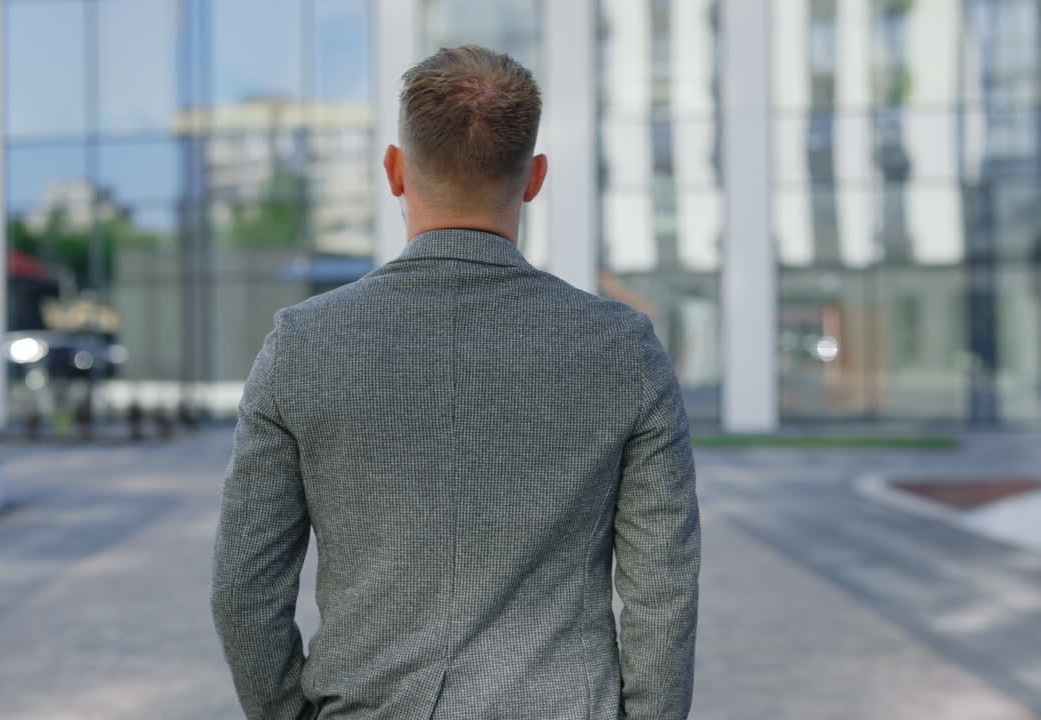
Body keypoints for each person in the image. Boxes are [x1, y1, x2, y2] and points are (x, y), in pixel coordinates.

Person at [211, 45, 701, 720]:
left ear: (393, 170)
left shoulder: (303, 345)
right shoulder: (622, 349)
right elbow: (663, 593)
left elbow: (245, 589)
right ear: (534, 178)